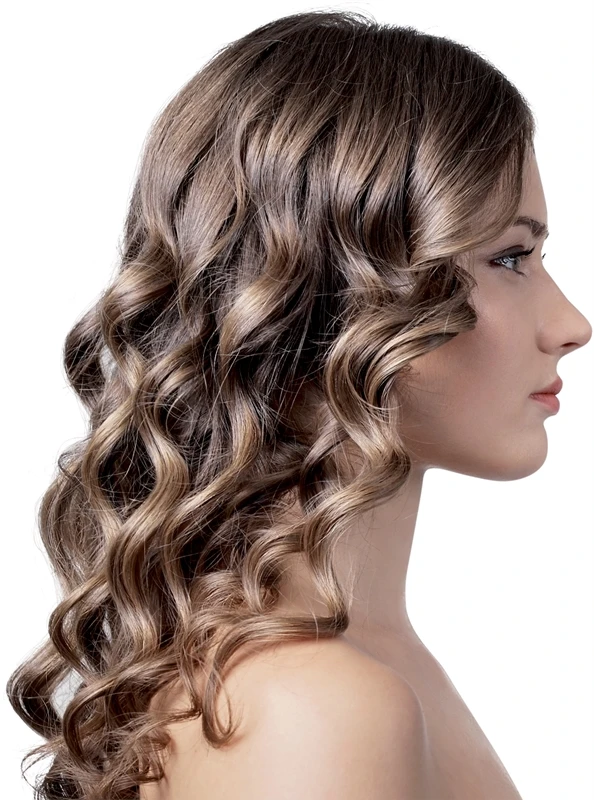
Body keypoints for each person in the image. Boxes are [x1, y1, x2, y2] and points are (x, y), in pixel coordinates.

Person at [6, 9, 591, 800]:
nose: (571, 324)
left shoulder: (353, 665)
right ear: (336, 292)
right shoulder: (314, 706)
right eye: (510, 257)